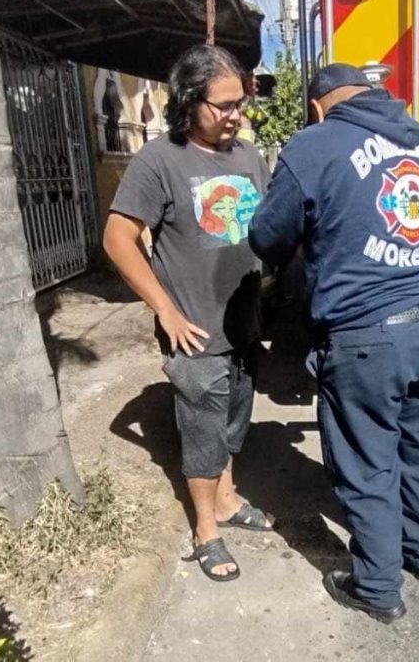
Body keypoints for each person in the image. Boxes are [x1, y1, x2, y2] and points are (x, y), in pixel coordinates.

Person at [248, 63, 419, 623]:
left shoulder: (316, 144)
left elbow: (267, 236)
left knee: (368, 465)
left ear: (319, 106)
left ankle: (377, 588)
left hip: (369, 336)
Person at [104, 44, 274, 583]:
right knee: (202, 433)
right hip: (193, 328)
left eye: (239, 103)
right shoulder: (160, 160)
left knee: (233, 422)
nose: (235, 115)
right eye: (222, 105)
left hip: (244, 320)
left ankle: (227, 499)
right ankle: (206, 529)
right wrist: (166, 312)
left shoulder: (249, 156)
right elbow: (118, 239)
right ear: (188, 101)